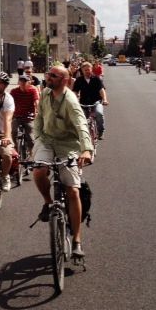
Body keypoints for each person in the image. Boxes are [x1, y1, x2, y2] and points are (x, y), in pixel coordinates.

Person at [32, 65, 93, 258]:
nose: (48, 77)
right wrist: (38, 138)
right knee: (39, 171)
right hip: (47, 141)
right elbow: (39, 117)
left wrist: (86, 149)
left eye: (53, 75)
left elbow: (81, 124)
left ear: (64, 80)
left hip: (69, 145)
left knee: (73, 190)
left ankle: (76, 241)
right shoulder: (45, 94)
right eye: (48, 74)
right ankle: (48, 203)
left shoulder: (71, 100)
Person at [72, 61, 109, 139]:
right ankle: (83, 134)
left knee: (99, 113)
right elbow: (75, 91)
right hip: (83, 102)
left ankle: (100, 131)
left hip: (96, 102)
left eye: (88, 69)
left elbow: (101, 90)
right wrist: (74, 100)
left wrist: (105, 99)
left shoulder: (96, 78)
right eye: (85, 70)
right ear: (82, 70)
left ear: (91, 69)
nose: (87, 71)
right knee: (81, 118)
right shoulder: (79, 80)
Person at [9, 74, 40, 166]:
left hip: (28, 116)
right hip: (17, 115)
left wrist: (37, 111)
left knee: (30, 137)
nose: (22, 83)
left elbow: (36, 102)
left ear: (29, 82)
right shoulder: (14, 91)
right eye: (21, 81)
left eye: (25, 81)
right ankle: (15, 151)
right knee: (13, 131)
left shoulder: (33, 90)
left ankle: (33, 158)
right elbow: (9, 102)